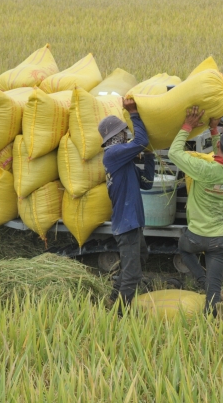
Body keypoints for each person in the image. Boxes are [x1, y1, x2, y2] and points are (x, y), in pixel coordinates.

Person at [168, 106, 223, 317]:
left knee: (183, 249)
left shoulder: (203, 170)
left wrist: (187, 126)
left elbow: (174, 153)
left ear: (218, 145)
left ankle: (200, 280)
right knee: (214, 290)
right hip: (220, 240)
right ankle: (211, 321)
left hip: (195, 237)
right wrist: (214, 130)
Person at [98, 97, 155, 311]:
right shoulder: (112, 155)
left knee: (141, 257)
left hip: (132, 223)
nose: (127, 135)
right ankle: (120, 315)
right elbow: (139, 141)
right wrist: (133, 113)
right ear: (116, 136)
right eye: (124, 132)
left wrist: (149, 156)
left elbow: (147, 184)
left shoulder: (124, 163)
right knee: (133, 274)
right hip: (127, 224)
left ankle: (114, 298)